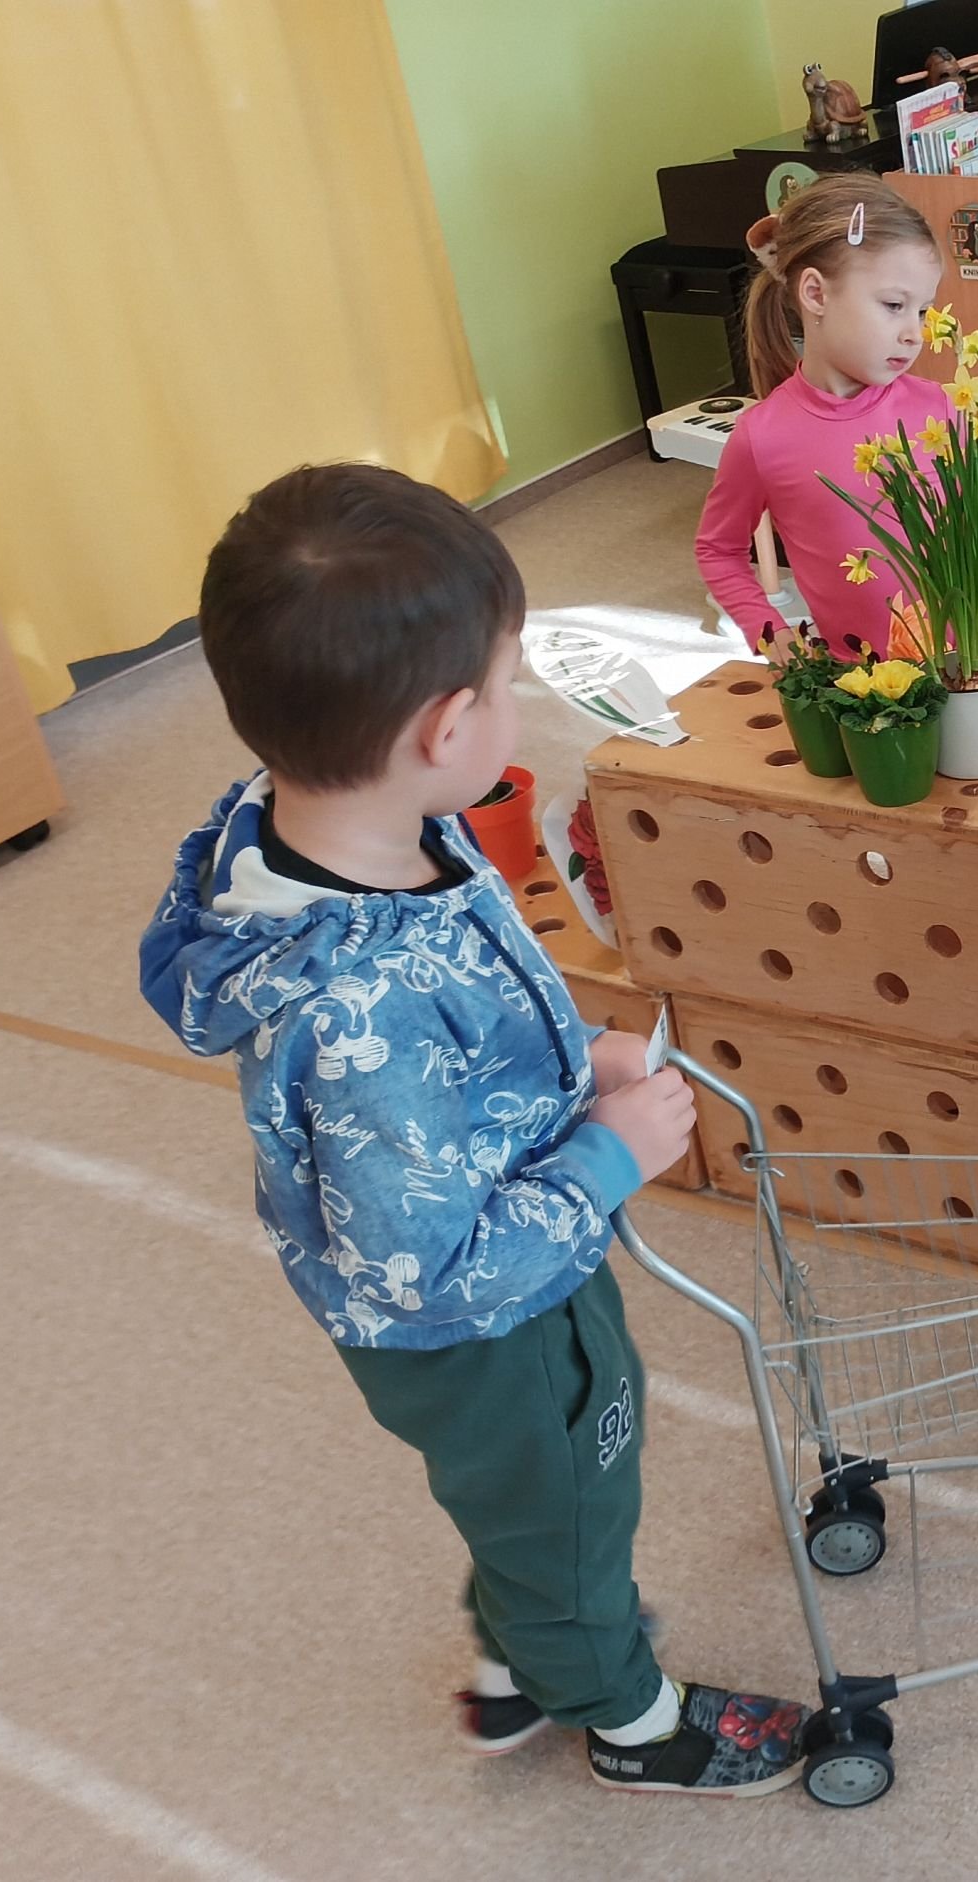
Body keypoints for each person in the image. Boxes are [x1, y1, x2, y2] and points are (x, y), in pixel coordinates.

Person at [140, 465, 808, 1795]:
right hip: (480, 1322)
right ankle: (629, 1719)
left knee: (534, 1495)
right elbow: (431, 1264)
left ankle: (516, 1665)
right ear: (448, 728)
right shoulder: (352, 1005)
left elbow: (462, 1006)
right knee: (569, 1498)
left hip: (502, 1234)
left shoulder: (352, 822)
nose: (515, 706)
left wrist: (564, 1056)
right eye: (505, 683)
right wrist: (609, 1153)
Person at [693, 174, 978, 690]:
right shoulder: (762, 436)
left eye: (921, 311)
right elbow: (718, 550)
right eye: (893, 306)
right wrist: (771, 635)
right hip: (859, 692)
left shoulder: (941, 411)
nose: (914, 333)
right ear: (815, 293)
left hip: (973, 676)